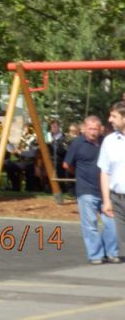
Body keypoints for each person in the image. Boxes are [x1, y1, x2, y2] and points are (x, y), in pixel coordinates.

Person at [64, 116, 120, 264]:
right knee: (90, 225)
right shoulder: (77, 143)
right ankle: (96, 255)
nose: (93, 132)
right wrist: (78, 174)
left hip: (105, 190)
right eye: (90, 129)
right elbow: (66, 164)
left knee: (112, 224)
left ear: (101, 129)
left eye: (96, 129)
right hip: (86, 189)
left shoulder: (106, 142)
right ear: (84, 128)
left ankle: (111, 252)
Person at [99, 102, 125, 250]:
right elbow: (105, 172)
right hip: (117, 200)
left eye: (114, 116)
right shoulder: (109, 141)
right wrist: (106, 200)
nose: (109, 120)